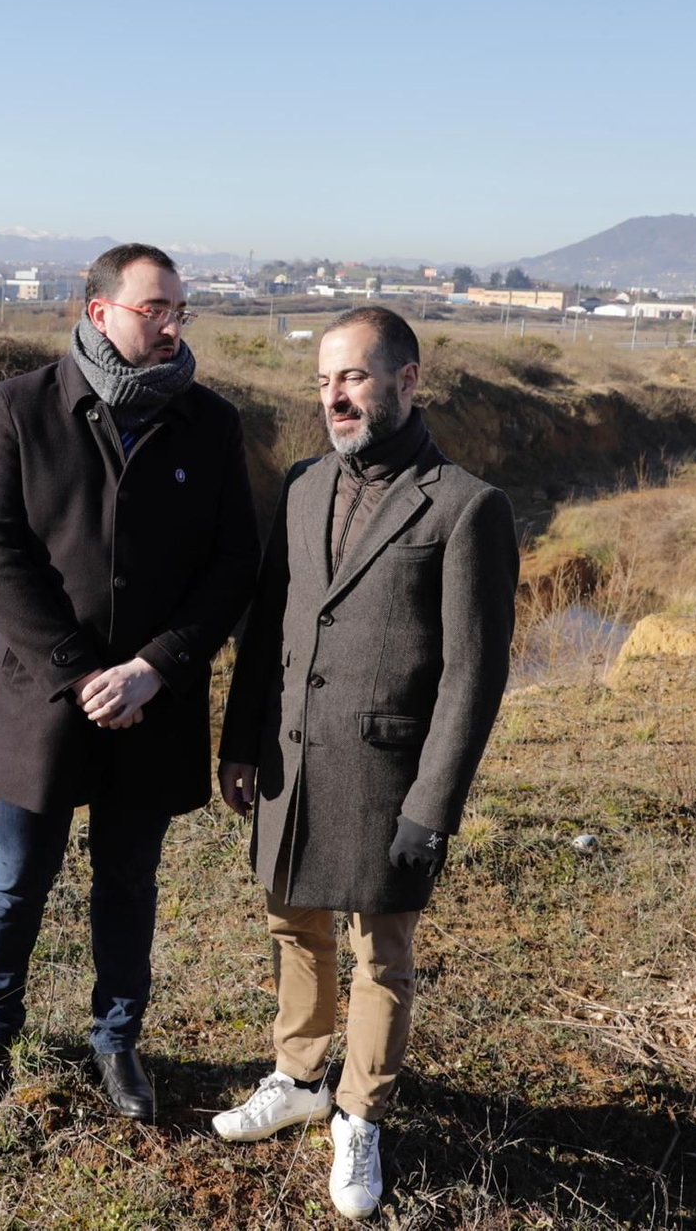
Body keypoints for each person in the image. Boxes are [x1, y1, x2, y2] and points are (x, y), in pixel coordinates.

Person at [212, 305, 518, 1219]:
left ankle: (361, 1112)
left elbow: (475, 672)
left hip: (389, 776)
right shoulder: (305, 486)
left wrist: (436, 803)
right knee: (290, 919)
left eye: (351, 376)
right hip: (291, 761)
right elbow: (265, 627)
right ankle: (301, 1073)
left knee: (380, 953)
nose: (333, 396)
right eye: (323, 381)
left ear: (407, 381)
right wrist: (237, 740)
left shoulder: (466, 506)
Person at [0, 242, 258, 1122]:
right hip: (42, 700)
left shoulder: (210, 423)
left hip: (153, 707)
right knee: (16, 880)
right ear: (98, 313)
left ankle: (117, 1038)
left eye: (178, 310)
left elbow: (233, 562)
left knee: (128, 880)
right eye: (152, 308)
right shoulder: (19, 409)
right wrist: (81, 669)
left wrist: (156, 667)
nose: (171, 324)